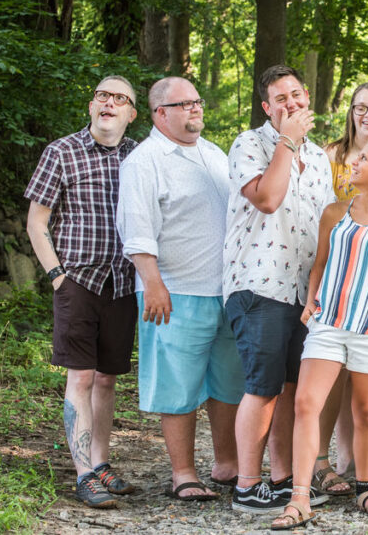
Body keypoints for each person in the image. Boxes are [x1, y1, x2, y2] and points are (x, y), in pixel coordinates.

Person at [270, 136, 368, 529]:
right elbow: (319, 263)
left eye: (363, 158)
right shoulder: (334, 213)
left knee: (367, 411)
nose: (353, 162)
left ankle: (365, 489)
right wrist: (311, 300)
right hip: (328, 326)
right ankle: (300, 497)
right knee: (305, 403)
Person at [116, 77, 244, 502]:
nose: (195, 109)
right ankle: (184, 474)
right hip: (173, 291)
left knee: (228, 384)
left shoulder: (214, 153)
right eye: (183, 103)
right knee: (179, 386)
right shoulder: (145, 160)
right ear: (159, 113)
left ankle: (227, 464)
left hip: (225, 292)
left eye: (197, 101)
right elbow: (136, 230)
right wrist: (152, 284)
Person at [222, 65, 336, 513]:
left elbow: (325, 225)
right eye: (279, 99)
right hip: (258, 282)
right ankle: (247, 486)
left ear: (307, 97)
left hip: (302, 290)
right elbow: (267, 198)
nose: (291, 104)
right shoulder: (249, 143)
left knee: (291, 385)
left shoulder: (322, 158)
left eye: (296, 95)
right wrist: (286, 142)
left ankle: (283, 479)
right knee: (263, 385)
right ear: (267, 108)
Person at [25, 76, 139, 508]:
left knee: (108, 379)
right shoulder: (61, 151)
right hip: (78, 281)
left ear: (131, 113)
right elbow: (37, 222)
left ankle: (101, 464)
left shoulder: (138, 156)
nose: (109, 103)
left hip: (124, 284)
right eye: (102, 96)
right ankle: (83, 475)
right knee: (82, 376)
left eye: (119, 99)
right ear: (92, 107)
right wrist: (57, 276)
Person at [317, 82, 368, 488]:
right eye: (360, 107)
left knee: (362, 371)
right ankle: (319, 459)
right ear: (349, 112)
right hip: (332, 273)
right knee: (331, 370)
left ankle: (350, 458)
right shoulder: (329, 156)